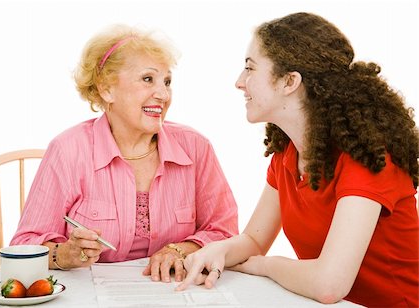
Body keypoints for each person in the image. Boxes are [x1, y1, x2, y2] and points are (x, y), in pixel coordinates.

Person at [176, 12, 419, 307]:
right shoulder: (286, 154)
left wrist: (262, 265)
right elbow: (254, 240)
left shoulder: (366, 158)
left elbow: (329, 285)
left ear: (289, 81)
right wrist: (217, 252)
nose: (240, 82)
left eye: (250, 69)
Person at [10, 24, 238, 283]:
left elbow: (226, 233)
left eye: (167, 81)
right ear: (107, 89)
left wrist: (180, 249)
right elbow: (23, 246)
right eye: (147, 79)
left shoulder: (196, 147)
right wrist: (64, 254)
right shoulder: (68, 150)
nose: (163, 95)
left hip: (176, 293)